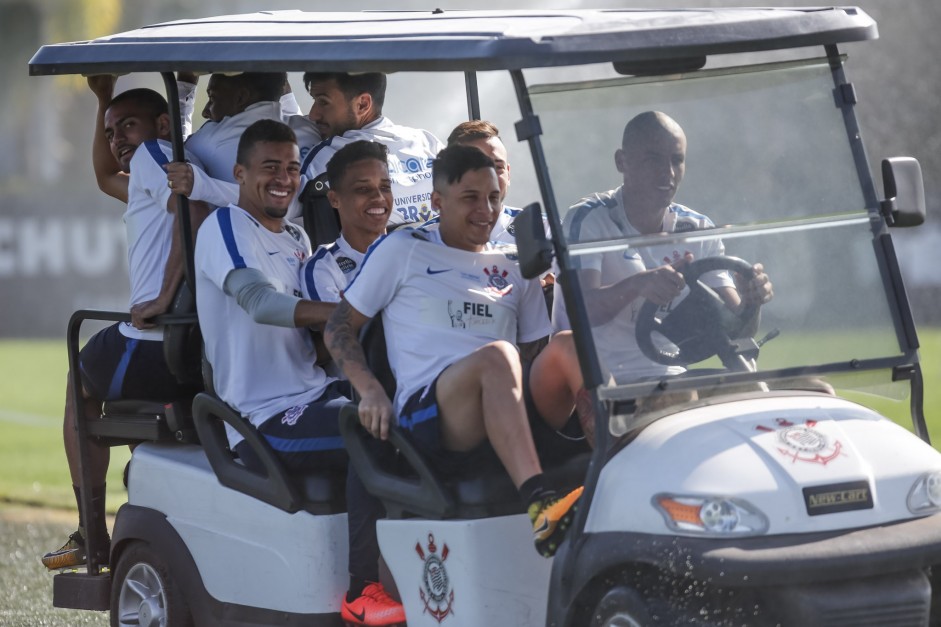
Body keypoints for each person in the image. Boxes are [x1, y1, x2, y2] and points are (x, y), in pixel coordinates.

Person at [324, 144, 583, 560]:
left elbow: (535, 352)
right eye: (471, 198)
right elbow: (338, 326)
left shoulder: (515, 264)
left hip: (503, 404)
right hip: (433, 419)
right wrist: (369, 390)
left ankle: (620, 474)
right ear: (437, 202)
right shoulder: (403, 249)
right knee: (498, 356)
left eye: (494, 197)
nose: (487, 210)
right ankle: (540, 504)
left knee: (570, 346)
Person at [194, 119, 405, 626]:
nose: (284, 178)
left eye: (291, 167)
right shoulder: (224, 226)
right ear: (240, 173)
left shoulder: (294, 236)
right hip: (264, 415)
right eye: (270, 167)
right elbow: (261, 303)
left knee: (411, 416)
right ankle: (362, 591)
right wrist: (347, 312)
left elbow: (319, 335)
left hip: (314, 393)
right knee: (366, 430)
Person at [41, 87, 214, 570]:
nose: (117, 139)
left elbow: (193, 212)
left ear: (162, 125)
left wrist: (161, 297)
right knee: (129, 414)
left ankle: (91, 534)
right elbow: (102, 176)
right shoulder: (153, 163)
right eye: (111, 131)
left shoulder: (154, 157)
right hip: (190, 349)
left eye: (127, 126)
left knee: (81, 382)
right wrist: (104, 100)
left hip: (154, 344)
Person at [538, 111, 773, 444]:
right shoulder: (588, 220)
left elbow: (735, 330)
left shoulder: (698, 228)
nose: (668, 173)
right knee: (679, 400)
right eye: (653, 159)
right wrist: (638, 285)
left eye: (677, 160)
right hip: (602, 383)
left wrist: (752, 300)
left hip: (673, 376)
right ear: (622, 162)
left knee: (808, 395)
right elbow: (582, 309)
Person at [299, 71, 444, 227]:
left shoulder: (329, 155)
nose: (313, 114)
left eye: (323, 102)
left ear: (362, 104)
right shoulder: (427, 141)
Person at [301, 140, 392, 303]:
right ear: (334, 199)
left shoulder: (418, 252)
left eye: (385, 187)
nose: (379, 197)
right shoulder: (323, 267)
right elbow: (338, 326)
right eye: (363, 189)